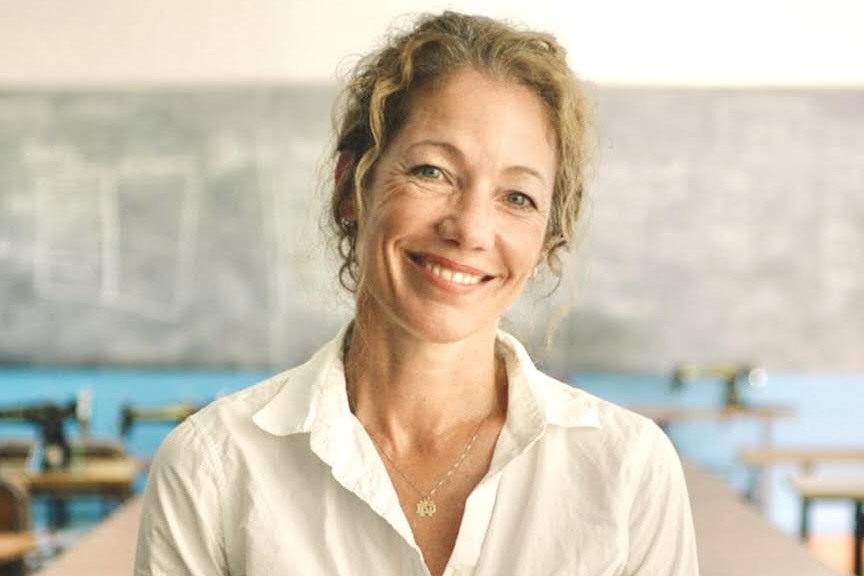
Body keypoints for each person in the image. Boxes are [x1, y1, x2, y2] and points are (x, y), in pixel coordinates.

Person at [134, 11, 698, 576]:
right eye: (433, 171)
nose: (471, 230)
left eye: (517, 197)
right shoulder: (214, 467)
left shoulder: (628, 471)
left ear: (549, 235)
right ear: (352, 185)